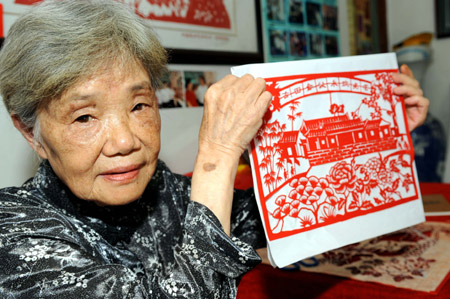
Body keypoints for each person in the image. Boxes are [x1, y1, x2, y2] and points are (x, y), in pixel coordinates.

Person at [0, 0, 428, 298]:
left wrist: (378, 134)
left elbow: (280, 214)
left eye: (138, 105)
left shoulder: (160, 189)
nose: (126, 140)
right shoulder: (15, 232)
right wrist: (218, 152)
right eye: (84, 118)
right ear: (30, 132)